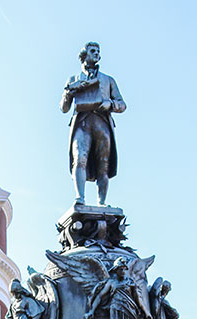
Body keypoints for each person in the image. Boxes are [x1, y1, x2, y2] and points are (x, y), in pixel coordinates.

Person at [60, 41, 126, 206]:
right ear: (84, 55)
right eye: (92, 51)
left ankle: (101, 202)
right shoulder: (74, 79)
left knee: (103, 165)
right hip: (82, 123)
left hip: (102, 123)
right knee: (79, 158)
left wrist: (110, 104)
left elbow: (122, 104)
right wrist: (69, 92)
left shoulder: (108, 80)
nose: (96, 54)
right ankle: (80, 198)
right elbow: (63, 108)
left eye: (98, 51)